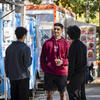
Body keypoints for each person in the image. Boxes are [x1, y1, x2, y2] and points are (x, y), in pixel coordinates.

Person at [40, 23, 69, 100]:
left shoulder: (66, 43)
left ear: (62, 31)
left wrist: (62, 62)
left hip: (62, 72)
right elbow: (42, 58)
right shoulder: (47, 43)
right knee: (49, 94)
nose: (56, 31)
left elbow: (69, 59)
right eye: (54, 29)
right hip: (50, 72)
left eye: (58, 29)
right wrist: (44, 69)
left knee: (62, 94)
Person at [5, 27, 32, 100]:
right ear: (24, 36)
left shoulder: (9, 48)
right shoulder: (25, 48)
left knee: (14, 97)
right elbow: (27, 64)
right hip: (23, 77)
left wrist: (8, 74)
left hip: (12, 77)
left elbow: (6, 63)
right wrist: (31, 59)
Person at [66, 25, 87, 100]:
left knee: (74, 96)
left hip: (74, 76)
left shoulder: (73, 47)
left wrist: (68, 78)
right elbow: (85, 62)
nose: (68, 36)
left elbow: (72, 64)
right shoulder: (83, 46)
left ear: (71, 35)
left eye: (68, 34)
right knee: (82, 96)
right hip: (82, 75)